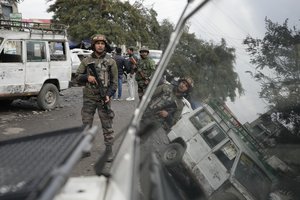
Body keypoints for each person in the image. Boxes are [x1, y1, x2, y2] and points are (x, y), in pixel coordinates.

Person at [75, 34, 118, 162]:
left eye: (102, 43)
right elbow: (77, 76)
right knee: (86, 124)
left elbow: (114, 82)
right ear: (94, 45)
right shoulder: (86, 61)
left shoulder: (111, 61)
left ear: (105, 45)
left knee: (107, 124)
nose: (100, 45)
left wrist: (108, 95)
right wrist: (86, 77)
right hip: (89, 97)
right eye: (97, 43)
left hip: (103, 98)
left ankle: (109, 150)